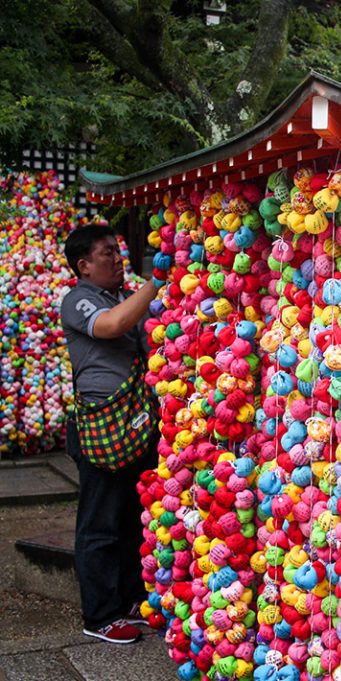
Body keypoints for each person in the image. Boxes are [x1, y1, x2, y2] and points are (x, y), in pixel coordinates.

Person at [60, 225, 160, 644]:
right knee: (99, 523)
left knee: (133, 518)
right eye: (107, 254)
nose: (118, 259)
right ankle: (100, 615)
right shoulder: (78, 300)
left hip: (136, 422)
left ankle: (130, 600)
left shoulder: (123, 294)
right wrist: (156, 283)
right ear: (84, 265)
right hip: (101, 428)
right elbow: (113, 326)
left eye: (118, 251)